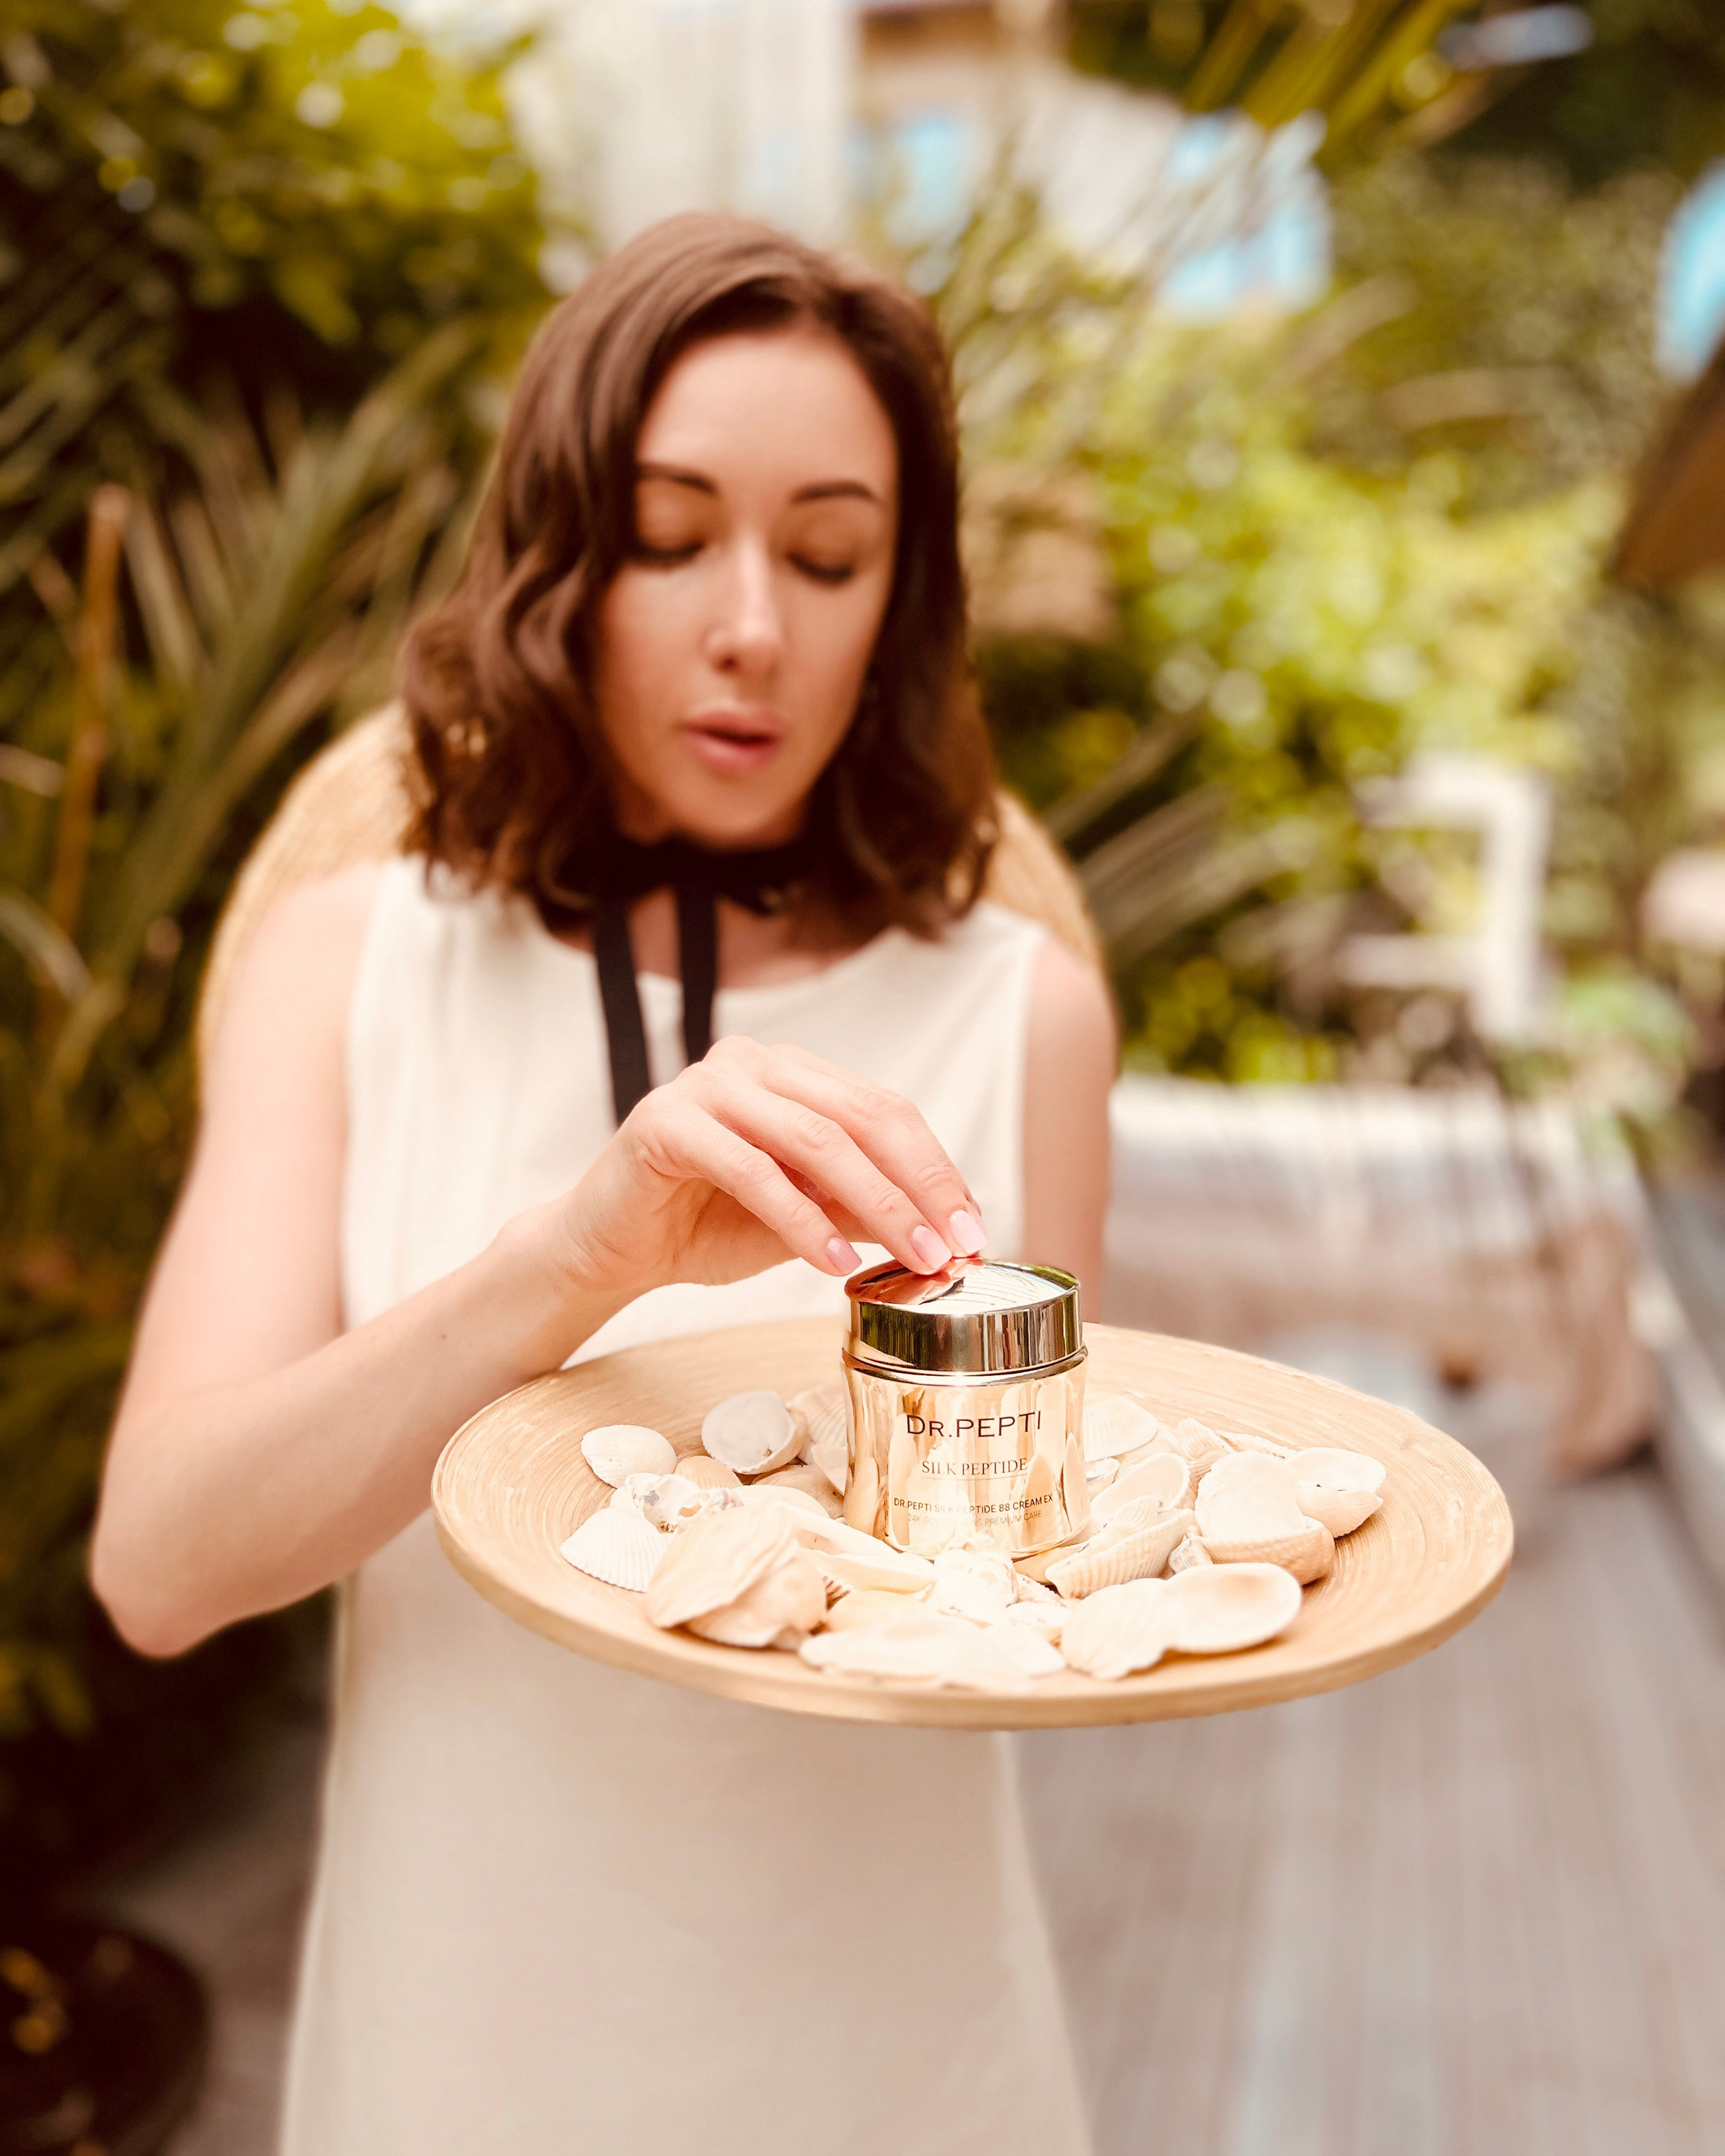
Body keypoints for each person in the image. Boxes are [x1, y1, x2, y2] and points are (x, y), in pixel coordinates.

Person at [91, 214, 1115, 2155]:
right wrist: (575, 1257)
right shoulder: (358, 957)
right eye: (670, 536)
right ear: (562, 559)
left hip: (899, 2044)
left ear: (899, 596)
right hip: (470, 2035)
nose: (756, 625)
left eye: (829, 554)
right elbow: (159, 1565)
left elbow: (1032, 1599)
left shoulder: (1023, 1011)